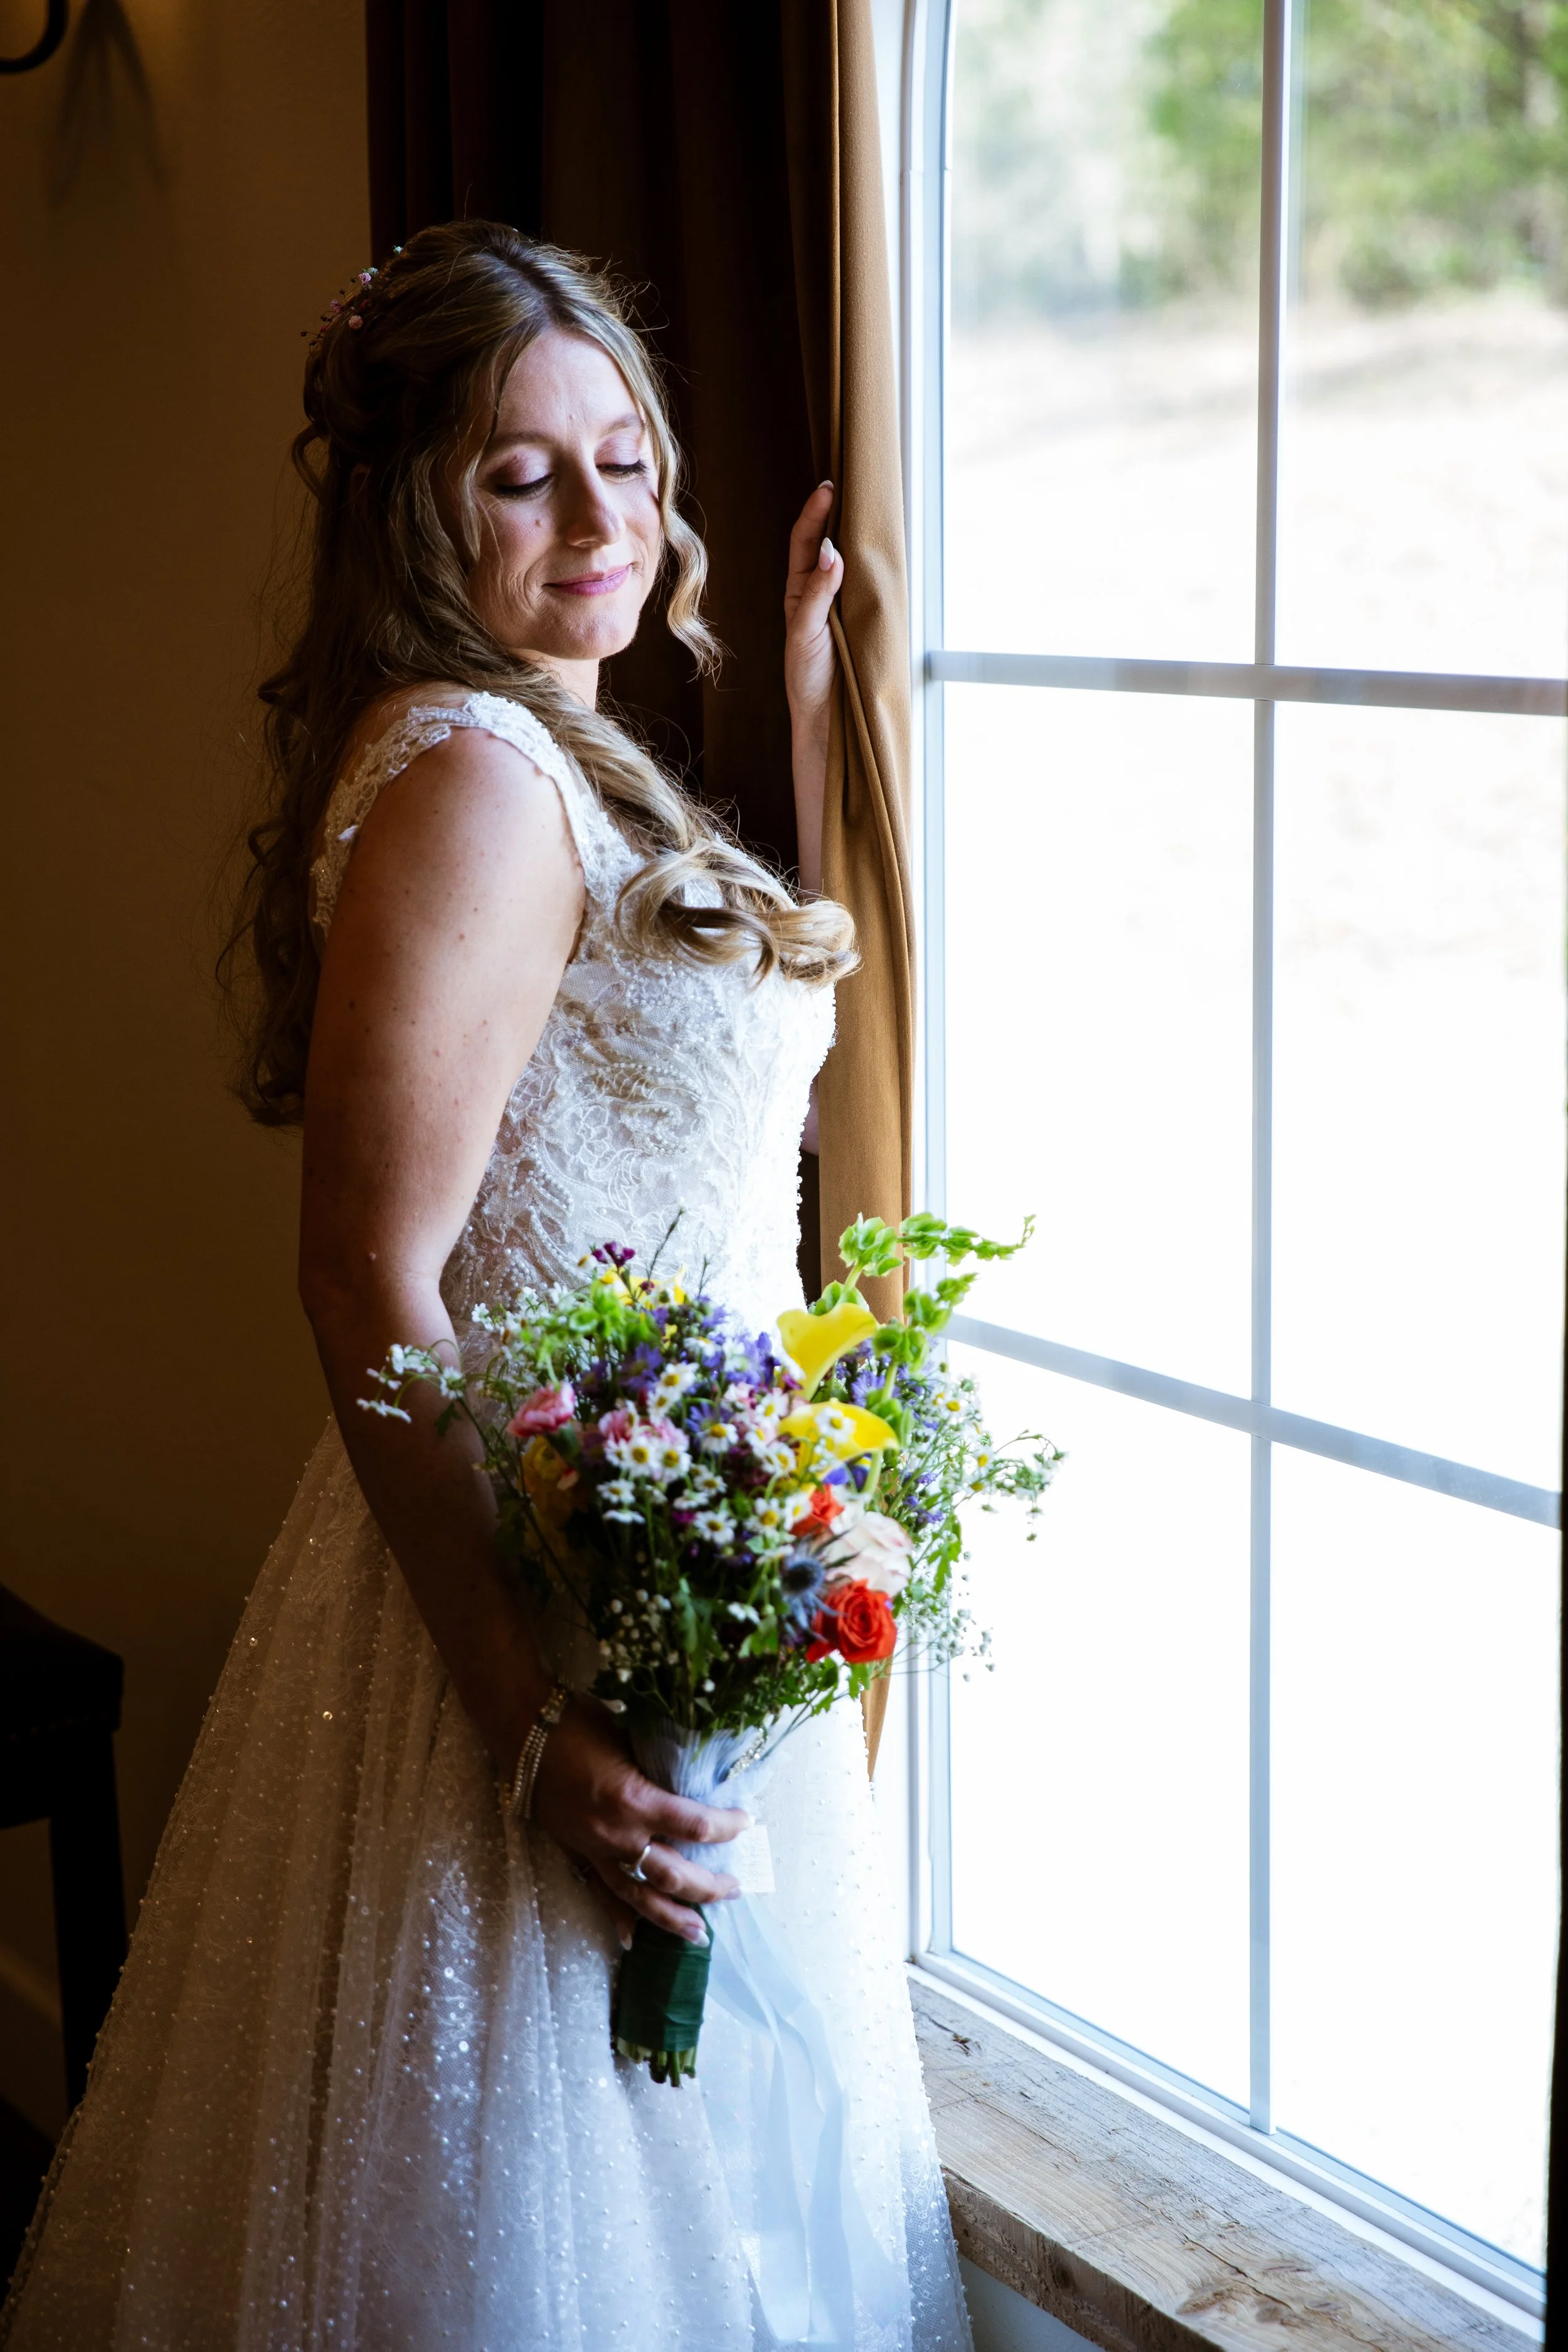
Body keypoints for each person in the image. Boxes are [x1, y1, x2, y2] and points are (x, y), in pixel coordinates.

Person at [0, 220, 970, 2351]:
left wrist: (815, 723)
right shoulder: (476, 777)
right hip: (514, 1602)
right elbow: (363, 1266)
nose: (601, 518)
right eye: (524, 475)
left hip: (653, 1557)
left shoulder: (565, 752)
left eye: (624, 460)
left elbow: (693, 1081)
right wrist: (529, 1715)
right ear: (417, 505)